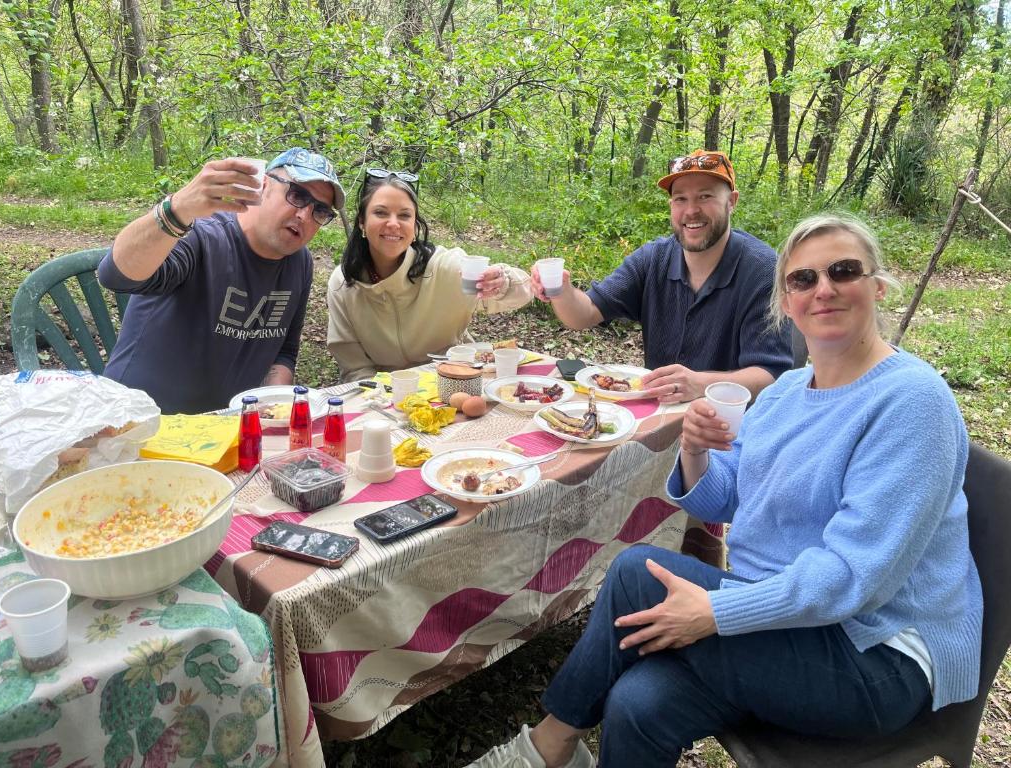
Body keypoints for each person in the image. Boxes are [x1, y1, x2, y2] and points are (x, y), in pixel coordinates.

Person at [470, 214, 982, 768]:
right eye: (803, 279)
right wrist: (694, 452)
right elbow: (724, 498)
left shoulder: (911, 401)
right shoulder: (786, 392)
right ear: (785, 303)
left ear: (876, 287)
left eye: (843, 271)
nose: (824, 289)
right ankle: (558, 747)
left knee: (636, 574)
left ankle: (548, 745)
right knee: (638, 704)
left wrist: (718, 610)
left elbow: (855, 577)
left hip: (877, 654)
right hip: (785, 619)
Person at [532, 150, 792, 403]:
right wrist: (561, 290)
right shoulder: (653, 259)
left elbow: (772, 375)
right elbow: (583, 314)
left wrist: (700, 384)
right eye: (680, 199)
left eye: (705, 196)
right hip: (658, 414)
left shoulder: (762, 270)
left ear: (731, 201)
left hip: (729, 424)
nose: (691, 210)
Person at [98, 148, 344, 414]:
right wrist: (176, 210)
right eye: (297, 195)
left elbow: (284, 352)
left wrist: (275, 406)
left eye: (320, 210)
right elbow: (115, 275)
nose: (304, 215)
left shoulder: (299, 262)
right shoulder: (201, 235)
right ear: (263, 186)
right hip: (137, 420)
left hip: (227, 427)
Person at [327, 169, 532, 382]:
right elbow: (355, 369)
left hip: (455, 381)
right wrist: (385, 394)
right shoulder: (343, 284)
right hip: (386, 392)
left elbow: (523, 293)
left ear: (415, 226)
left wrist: (502, 282)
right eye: (381, 213)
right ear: (362, 221)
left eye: (404, 215)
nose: (393, 223)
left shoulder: (444, 267)